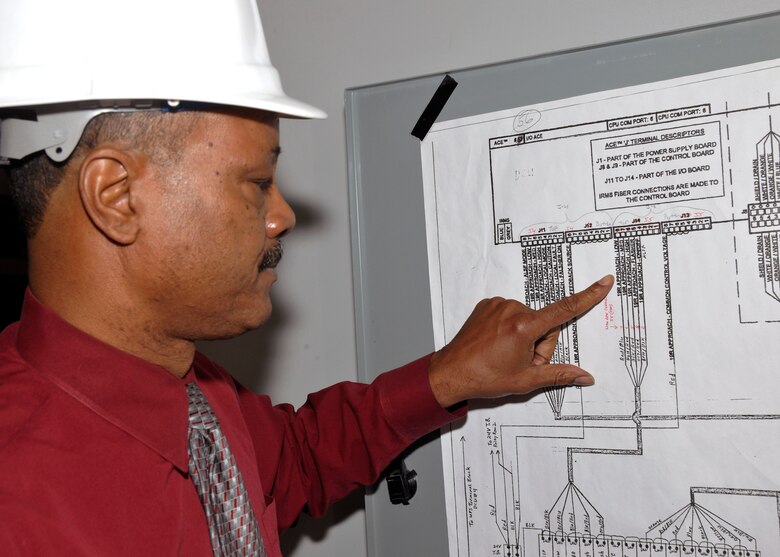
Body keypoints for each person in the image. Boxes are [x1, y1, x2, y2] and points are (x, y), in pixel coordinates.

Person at [0, 1, 614, 555]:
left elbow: (290, 463)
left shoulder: (198, 399)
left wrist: (447, 377)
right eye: (257, 183)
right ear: (117, 196)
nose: (282, 215)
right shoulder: (24, 511)